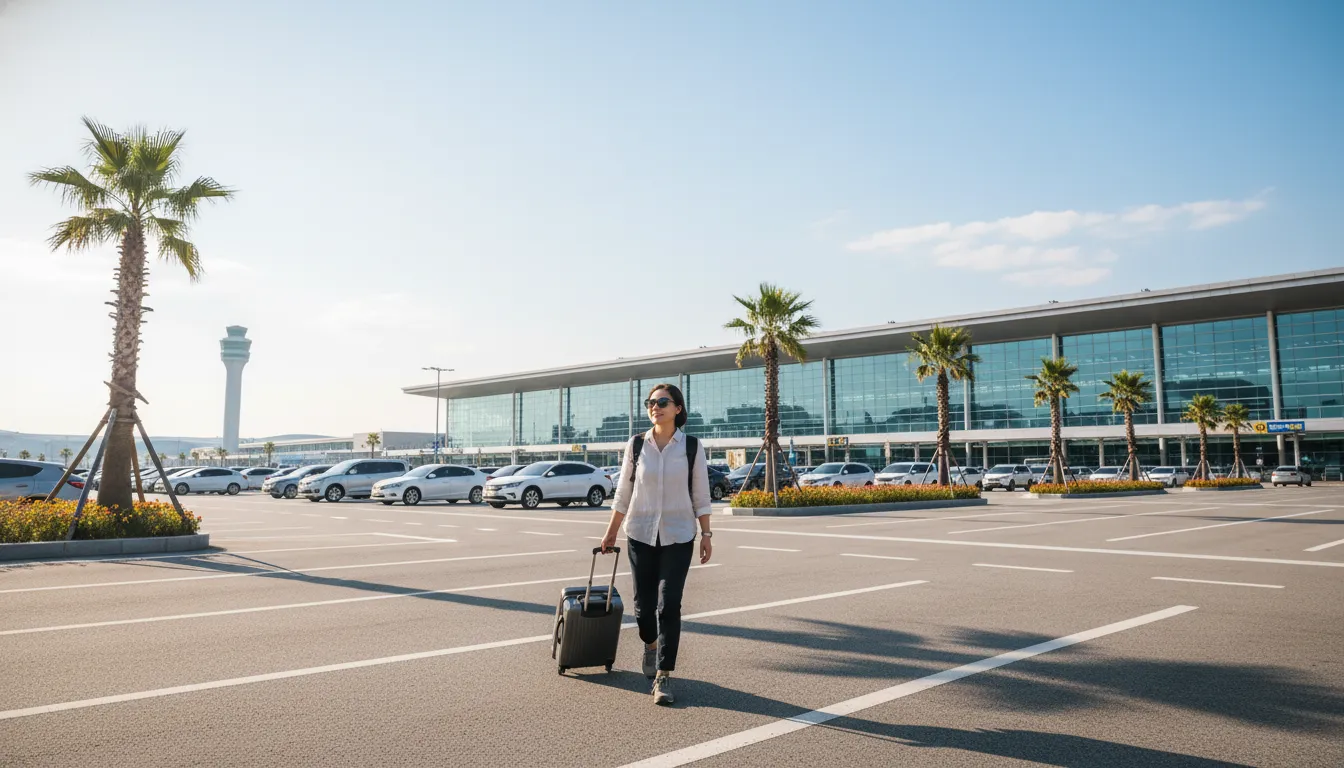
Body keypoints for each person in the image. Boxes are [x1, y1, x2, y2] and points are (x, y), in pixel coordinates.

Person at [600, 382, 712, 706]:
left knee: (669, 604)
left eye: (663, 401)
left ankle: (663, 675)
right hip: (640, 534)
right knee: (643, 609)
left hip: (678, 536)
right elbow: (623, 493)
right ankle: (650, 644)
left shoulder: (691, 447)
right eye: (651, 402)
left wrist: (706, 535)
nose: (655, 406)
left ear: (678, 408)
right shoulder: (637, 445)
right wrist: (610, 532)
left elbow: (701, 495)